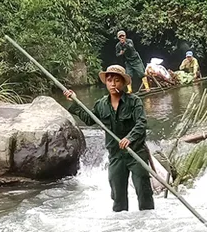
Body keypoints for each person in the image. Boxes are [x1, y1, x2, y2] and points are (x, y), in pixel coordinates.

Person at [64, 65, 154, 212]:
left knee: (143, 192)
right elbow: (89, 119)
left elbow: (141, 122)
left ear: (123, 83)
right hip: (116, 156)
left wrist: (129, 138)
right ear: (106, 83)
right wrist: (74, 102)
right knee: (118, 196)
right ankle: (121, 227)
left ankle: (148, 223)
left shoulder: (134, 101)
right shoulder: (101, 105)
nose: (113, 84)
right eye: (110, 80)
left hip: (136, 153)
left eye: (117, 81)